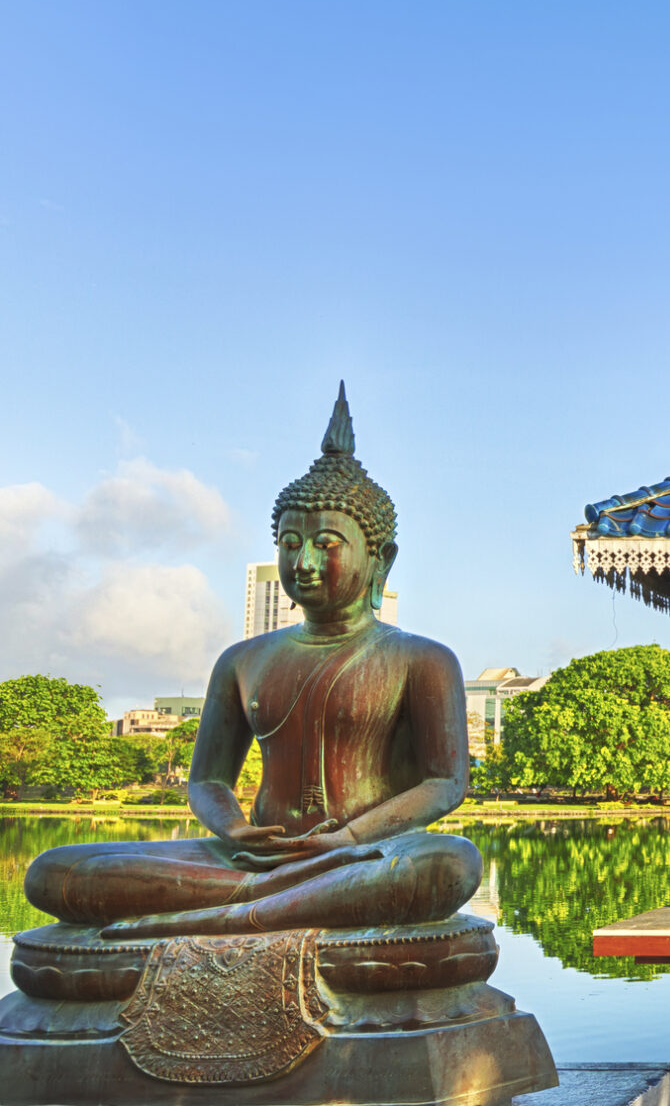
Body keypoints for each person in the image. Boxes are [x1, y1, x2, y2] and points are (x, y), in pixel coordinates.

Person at [26, 386, 481, 937]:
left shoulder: (421, 659)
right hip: (252, 858)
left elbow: (444, 782)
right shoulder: (241, 661)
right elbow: (207, 779)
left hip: (366, 855)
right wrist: (235, 831)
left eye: (326, 544)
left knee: (450, 864)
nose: (303, 561)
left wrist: (349, 838)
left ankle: (239, 912)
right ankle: (272, 900)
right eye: (290, 543)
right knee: (55, 872)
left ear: (380, 559)